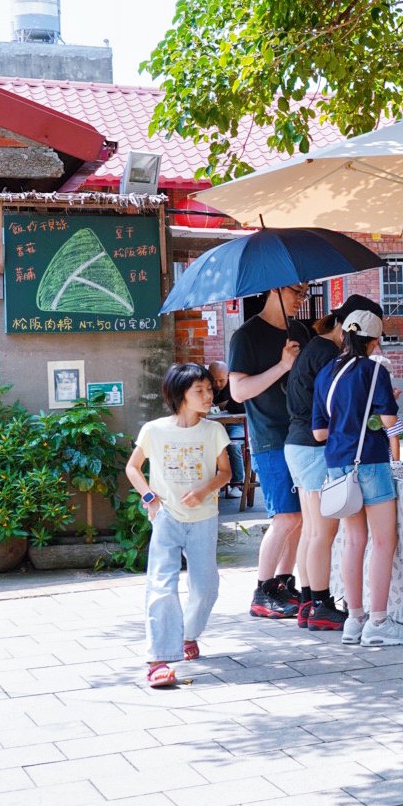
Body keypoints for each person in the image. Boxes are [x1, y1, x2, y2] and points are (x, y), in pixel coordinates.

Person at [312, 309, 403, 647]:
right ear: (374, 341)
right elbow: (390, 423)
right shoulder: (374, 372)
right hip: (370, 462)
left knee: (353, 541)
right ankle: (379, 622)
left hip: (337, 465)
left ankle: (353, 619)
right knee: (384, 541)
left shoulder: (325, 373)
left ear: (344, 335)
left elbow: (318, 432)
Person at [124, 363, 231, 688]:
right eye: (199, 390)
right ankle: (159, 659)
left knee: (205, 587)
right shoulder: (154, 430)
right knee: (161, 585)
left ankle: (188, 634)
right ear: (179, 394)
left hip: (204, 520)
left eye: (209, 389)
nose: (207, 395)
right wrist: (150, 499)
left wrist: (203, 490)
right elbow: (133, 468)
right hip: (167, 517)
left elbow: (225, 473)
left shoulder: (214, 431)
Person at [284, 295, 384, 631]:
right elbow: (332, 415)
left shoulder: (317, 348)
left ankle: (309, 603)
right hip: (314, 447)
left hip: (298, 443)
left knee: (313, 530)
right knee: (321, 532)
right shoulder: (332, 355)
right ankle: (321, 604)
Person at [228, 283, 312, 620]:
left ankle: (282, 584)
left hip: (302, 436)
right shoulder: (245, 336)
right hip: (270, 438)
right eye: (296, 291)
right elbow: (238, 391)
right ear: (274, 290)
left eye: (305, 292)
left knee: (302, 517)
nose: (301, 297)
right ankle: (261, 591)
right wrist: (282, 366)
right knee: (286, 517)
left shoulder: (300, 330)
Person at [207, 361, 246, 500]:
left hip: (235, 425)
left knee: (233, 444)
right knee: (207, 446)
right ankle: (213, 485)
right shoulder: (206, 385)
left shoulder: (235, 384)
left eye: (221, 380)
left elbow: (242, 405)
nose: (217, 384)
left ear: (228, 376)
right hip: (213, 426)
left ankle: (237, 484)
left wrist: (225, 405)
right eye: (214, 380)